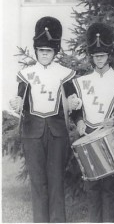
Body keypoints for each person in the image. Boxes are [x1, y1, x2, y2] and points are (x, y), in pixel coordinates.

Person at [9, 16, 76, 222]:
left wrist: (75, 102)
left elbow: (72, 95)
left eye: (49, 51)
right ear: (36, 51)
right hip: (32, 133)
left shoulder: (65, 73)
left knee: (56, 181)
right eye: (41, 51)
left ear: (55, 52)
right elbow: (20, 95)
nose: (45, 54)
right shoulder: (26, 74)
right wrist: (17, 102)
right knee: (38, 182)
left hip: (57, 134)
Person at [68, 22, 114, 222]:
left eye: (102, 55)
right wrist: (78, 121)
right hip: (88, 137)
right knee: (92, 186)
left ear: (108, 55)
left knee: (110, 187)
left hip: (110, 136)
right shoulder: (81, 82)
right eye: (96, 56)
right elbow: (76, 110)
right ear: (91, 57)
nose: (99, 59)